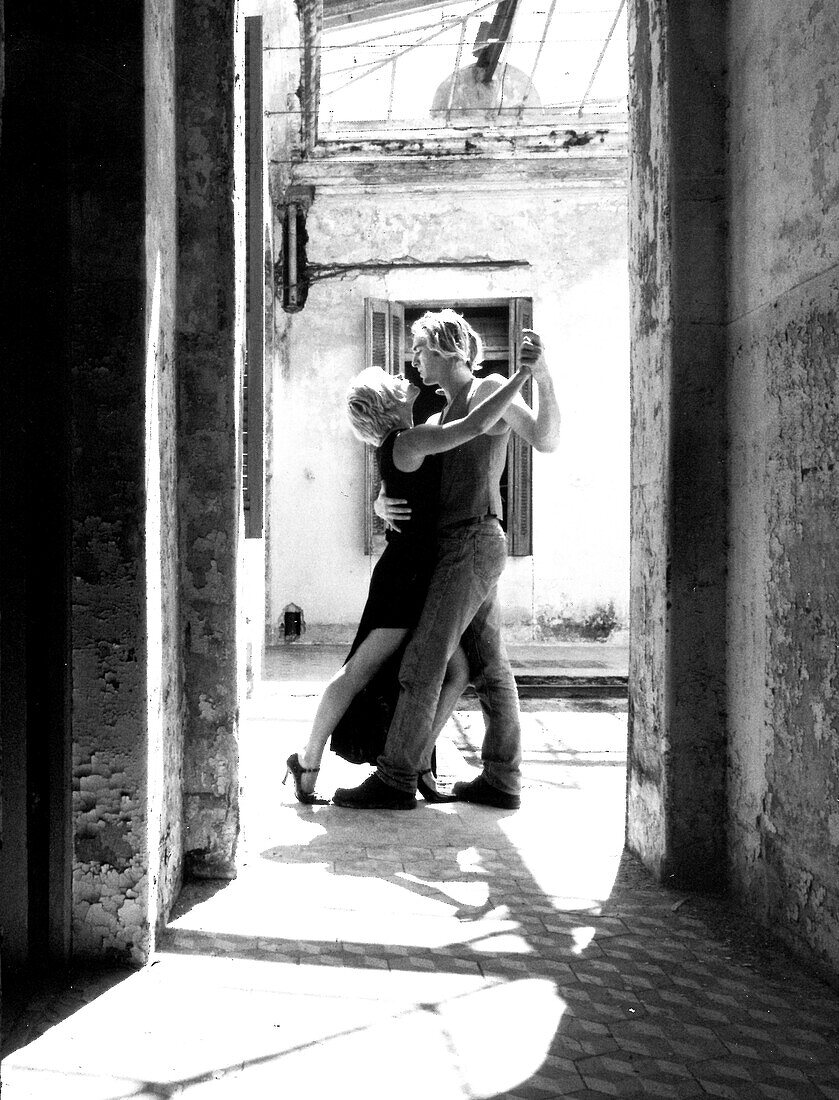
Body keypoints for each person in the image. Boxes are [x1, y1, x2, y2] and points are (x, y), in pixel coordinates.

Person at [333, 309, 560, 812]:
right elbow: (410, 471)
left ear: (443, 348)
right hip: (453, 550)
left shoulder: (490, 388)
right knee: (488, 666)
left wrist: (539, 376)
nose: (413, 360)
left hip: (473, 544)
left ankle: (395, 779)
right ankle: (502, 778)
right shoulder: (437, 415)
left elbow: (545, 440)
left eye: (418, 349)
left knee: (425, 660)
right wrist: (378, 501)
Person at [283, 353, 534, 804]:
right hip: (405, 578)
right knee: (358, 671)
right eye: (394, 379)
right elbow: (473, 427)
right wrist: (522, 377)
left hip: (426, 571)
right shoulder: (408, 439)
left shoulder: (406, 439)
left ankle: (414, 766)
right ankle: (308, 761)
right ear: (388, 402)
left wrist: (382, 501)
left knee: (455, 669)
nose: (406, 375)